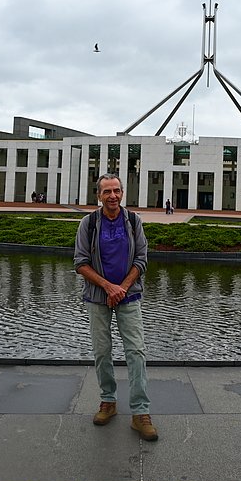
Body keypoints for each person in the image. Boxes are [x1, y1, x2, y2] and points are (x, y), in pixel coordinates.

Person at [73, 173, 158, 442]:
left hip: (129, 296)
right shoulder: (88, 224)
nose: (113, 196)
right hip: (99, 298)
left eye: (117, 191)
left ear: (123, 193)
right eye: (107, 191)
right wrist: (108, 288)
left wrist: (121, 288)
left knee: (136, 352)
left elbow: (142, 259)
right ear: (98, 195)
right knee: (102, 351)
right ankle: (108, 401)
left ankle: (140, 413)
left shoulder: (134, 221)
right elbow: (80, 262)